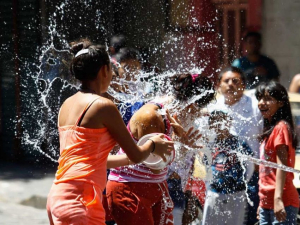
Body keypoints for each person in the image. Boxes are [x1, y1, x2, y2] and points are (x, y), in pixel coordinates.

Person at [46, 39, 173, 225]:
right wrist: (153, 145)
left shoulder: (67, 104)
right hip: (81, 202)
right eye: (111, 70)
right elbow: (137, 155)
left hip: (58, 197)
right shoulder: (103, 106)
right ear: (104, 70)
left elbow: (92, 161)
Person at [106, 73, 216, 225]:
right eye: (198, 110)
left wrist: (182, 144)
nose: (198, 116)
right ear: (190, 104)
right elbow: (157, 166)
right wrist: (179, 143)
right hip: (131, 189)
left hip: (156, 186)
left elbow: (170, 165)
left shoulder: (172, 117)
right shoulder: (151, 117)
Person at [210, 66, 263, 225]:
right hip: (220, 176)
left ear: (243, 85)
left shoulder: (255, 107)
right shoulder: (214, 108)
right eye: (226, 81)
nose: (231, 84)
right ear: (219, 85)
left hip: (251, 176)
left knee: (248, 220)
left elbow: (263, 136)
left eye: (235, 80)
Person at [255, 81, 299, 224]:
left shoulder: (281, 127)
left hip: (283, 199)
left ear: (280, 103)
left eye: (268, 99)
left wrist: (278, 199)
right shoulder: (269, 131)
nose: (261, 103)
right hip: (266, 201)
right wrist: (262, 202)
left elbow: (282, 166)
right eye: (260, 98)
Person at [202, 110, 253, 225]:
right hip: (214, 192)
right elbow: (206, 167)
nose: (220, 124)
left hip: (236, 193)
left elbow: (250, 167)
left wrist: (242, 183)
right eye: (215, 121)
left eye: (222, 120)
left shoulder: (240, 143)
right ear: (211, 125)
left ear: (229, 122)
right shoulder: (210, 145)